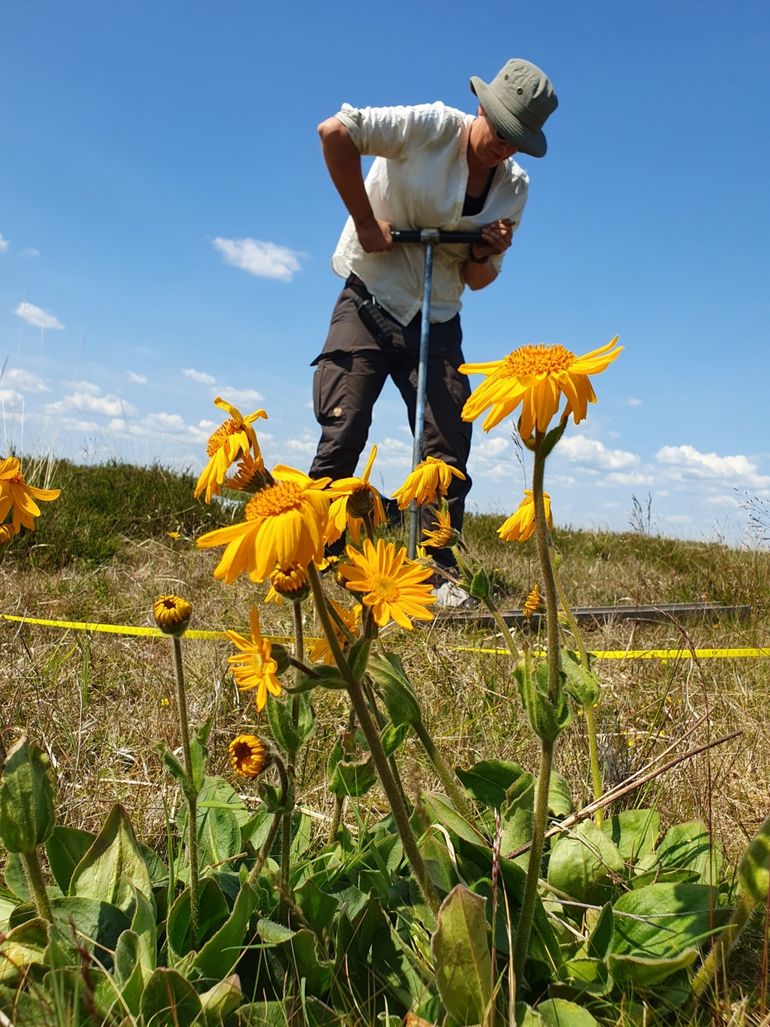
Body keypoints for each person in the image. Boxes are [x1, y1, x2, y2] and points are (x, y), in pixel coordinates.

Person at [308, 58, 558, 603]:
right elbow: (336, 134)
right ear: (481, 107)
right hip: (371, 298)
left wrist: (487, 254)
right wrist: (366, 222)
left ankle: (436, 567)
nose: (506, 148)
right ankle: (315, 556)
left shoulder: (514, 188)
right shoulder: (428, 126)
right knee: (344, 424)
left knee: (447, 437)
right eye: (501, 131)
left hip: (438, 314)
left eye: (519, 140)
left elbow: (478, 279)